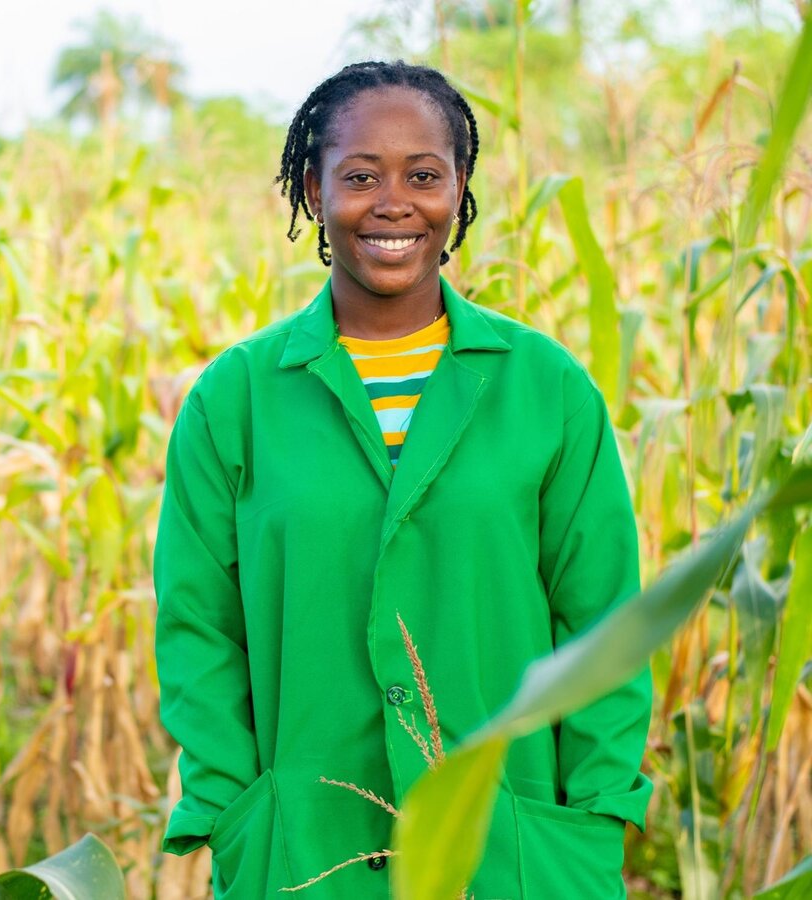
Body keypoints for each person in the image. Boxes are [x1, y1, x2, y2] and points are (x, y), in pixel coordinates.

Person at [153, 60, 652, 899]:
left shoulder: (548, 389)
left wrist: (596, 821)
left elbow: (604, 624)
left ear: (460, 188)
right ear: (313, 191)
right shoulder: (233, 399)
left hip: (515, 851)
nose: (393, 204)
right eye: (359, 176)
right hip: (308, 854)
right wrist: (239, 811)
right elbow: (199, 630)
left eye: (424, 175)